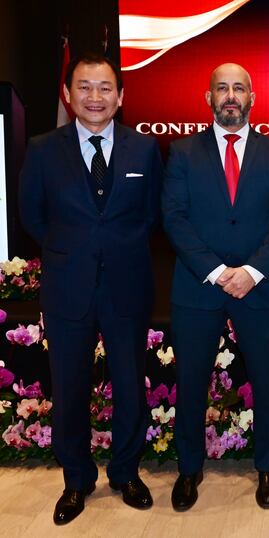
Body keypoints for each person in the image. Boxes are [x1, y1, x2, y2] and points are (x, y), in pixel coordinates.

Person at [18, 51, 162, 524]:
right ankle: (76, 480)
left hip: (127, 286)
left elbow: (150, 216)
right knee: (69, 387)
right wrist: (72, 251)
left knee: (129, 385)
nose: (94, 96)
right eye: (84, 87)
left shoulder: (144, 149)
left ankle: (126, 472)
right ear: (67, 94)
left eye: (105, 87)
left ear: (120, 96)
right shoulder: (43, 149)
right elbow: (32, 215)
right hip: (68, 287)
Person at [162, 63, 269, 510]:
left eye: (239, 88)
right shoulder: (182, 152)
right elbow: (174, 218)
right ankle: (189, 469)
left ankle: (267, 467)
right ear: (209, 98)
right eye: (222, 88)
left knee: (267, 383)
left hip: (260, 287)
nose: (231, 95)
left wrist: (252, 271)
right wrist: (218, 271)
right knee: (191, 383)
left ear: (252, 98)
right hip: (198, 288)